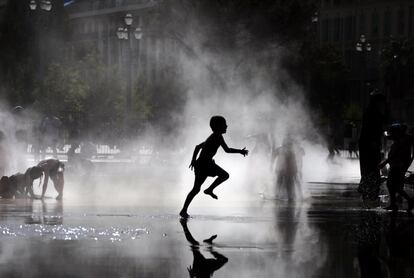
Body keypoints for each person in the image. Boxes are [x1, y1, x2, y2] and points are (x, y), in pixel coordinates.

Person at [179, 116, 248, 218]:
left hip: (203, 164)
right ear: (218, 126)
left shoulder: (213, 136)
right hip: (204, 165)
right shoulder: (217, 137)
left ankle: (184, 210)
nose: (226, 126)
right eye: (224, 124)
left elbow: (198, 146)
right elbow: (227, 150)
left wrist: (194, 160)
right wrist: (240, 151)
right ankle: (209, 190)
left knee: (196, 189)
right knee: (224, 175)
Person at [358, 92, 387, 202]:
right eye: (381, 102)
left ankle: (369, 189)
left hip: (370, 143)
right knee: (370, 167)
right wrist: (374, 143)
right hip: (369, 144)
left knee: (371, 167)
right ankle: (369, 189)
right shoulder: (372, 113)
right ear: (377, 102)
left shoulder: (373, 112)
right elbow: (370, 130)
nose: (383, 105)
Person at [378, 124, 414, 212]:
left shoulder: (401, 142)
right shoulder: (400, 140)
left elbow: (394, 155)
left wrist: (384, 163)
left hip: (397, 166)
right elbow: (389, 137)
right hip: (396, 165)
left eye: (393, 132)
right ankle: (394, 204)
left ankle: (408, 202)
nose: (392, 135)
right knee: (392, 185)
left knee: (394, 186)